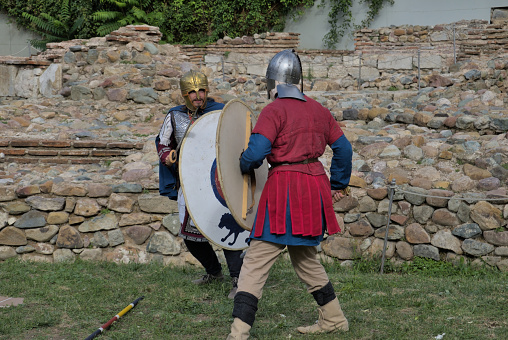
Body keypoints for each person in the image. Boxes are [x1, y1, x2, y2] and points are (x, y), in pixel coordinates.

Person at [226, 49, 353, 339]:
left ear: (273, 84)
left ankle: (238, 334)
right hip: (314, 188)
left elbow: (257, 152)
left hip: (285, 188)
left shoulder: (274, 110)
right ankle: (334, 319)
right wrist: (336, 184)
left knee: (255, 262)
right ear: (299, 81)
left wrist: (244, 164)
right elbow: (344, 149)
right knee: (306, 259)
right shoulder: (320, 110)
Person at [156, 69, 243, 299]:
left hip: (219, 181)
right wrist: (167, 156)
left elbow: (238, 136)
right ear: (184, 95)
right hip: (190, 182)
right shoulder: (174, 116)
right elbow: (162, 143)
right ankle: (214, 272)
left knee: (227, 231)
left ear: (207, 90)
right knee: (191, 235)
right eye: (192, 92)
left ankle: (238, 279)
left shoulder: (221, 112)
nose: (198, 96)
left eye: (201, 90)